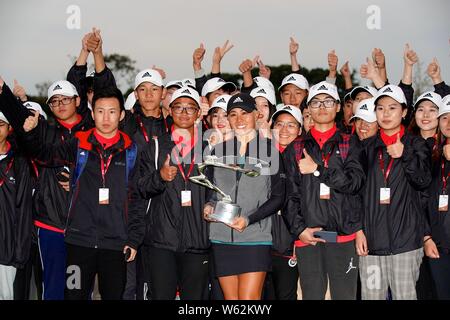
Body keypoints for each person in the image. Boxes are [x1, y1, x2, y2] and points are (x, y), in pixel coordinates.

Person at [21, 86, 145, 300]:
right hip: (78, 244)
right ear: (92, 112)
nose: (106, 117)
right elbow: (44, 156)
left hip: (115, 245)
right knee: (74, 295)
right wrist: (31, 134)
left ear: (122, 114)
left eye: (112, 111)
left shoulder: (132, 150)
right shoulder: (78, 143)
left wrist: (133, 239)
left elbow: (136, 199)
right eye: (100, 111)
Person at [0, 77, 93, 300]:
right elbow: (19, 116)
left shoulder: (93, 129)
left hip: (84, 226)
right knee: (53, 286)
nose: (60, 105)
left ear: (78, 100)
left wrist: (78, 179)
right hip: (50, 224)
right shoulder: (45, 129)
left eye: (65, 99)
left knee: (79, 287)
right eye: (54, 101)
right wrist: (3, 91)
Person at [283, 81, 365, 300]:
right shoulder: (296, 147)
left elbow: (355, 184)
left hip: (343, 236)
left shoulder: (351, 143)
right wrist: (300, 230)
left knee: (345, 296)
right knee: (312, 295)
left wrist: (319, 170)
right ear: (307, 108)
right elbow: (289, 196)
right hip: (309, 236)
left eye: (328, 101)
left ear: (338, 107)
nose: (322, 107)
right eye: (316, 102)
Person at [203, 93, 285, 300]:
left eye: (245, 113)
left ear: (256, 115)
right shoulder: (218, 151)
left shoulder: (270, 152)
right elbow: (211, 191)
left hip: (254, 239)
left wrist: (248, 220)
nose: (239, 120)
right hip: (221, 238)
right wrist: (209, 206)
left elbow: (278, 197)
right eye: (233, 114)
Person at [133, 87, 210, 300]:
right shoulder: (156, 146)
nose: (184, 113)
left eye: (190, 108)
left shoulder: (209, 149)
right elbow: (140, 187)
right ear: (170, 111)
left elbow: (217, 191)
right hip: (161, 241)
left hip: (198, 240)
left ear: (198, 113)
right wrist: (160, 176)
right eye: (178, 107)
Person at [357, 84, 432, 300]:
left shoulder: (417, 144)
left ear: (405, 112)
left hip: (406, 244)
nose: (386, 114)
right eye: (380, 108)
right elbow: (355, 194)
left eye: (392, 108)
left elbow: (423, 181)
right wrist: (358, 230)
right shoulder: (365, 148)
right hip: (371, 244)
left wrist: (405, 154)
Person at [265, 105, 303, 300]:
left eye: (291, 125)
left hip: (290, 243)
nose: (284, 130)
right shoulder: (260, 155)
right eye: (279, 124)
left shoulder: (305, 158)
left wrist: (298, 239)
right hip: (261, 243)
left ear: (300, 130)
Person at [0, 112, 33, 300]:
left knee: (6, 295)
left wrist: (20, 249)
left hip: (6, 248)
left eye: (0, 124)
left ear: (9, 128)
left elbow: (23, 209)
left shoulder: (19, 162)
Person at [424, 94, 450, 299]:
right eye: (444, 117)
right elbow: (420, 200)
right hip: (437, 246)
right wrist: (426, 237)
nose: (449, 123)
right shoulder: (431, 156)